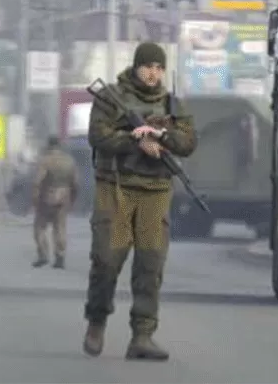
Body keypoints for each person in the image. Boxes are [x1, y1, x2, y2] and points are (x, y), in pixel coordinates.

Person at [83, 41, 197, 362]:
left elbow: (188, 143)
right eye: (147, 66)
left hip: (156, 192)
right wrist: (135, 141)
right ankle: (97, 320)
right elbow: (98, 136)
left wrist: (161, 137)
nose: (153, 73)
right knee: (107, 260)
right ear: (136, 66)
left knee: (150, 265)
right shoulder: (111, 97)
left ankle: (142, 335)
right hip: (117, 188)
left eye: (159, 68)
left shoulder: (173, 103)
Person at [31, 136, 79, 269]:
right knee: (60, 228)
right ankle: (60, 256)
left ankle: (43, 255)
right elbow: (75, 183)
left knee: (40, 228)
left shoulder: (45, 161)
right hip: (64, 197)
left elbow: (37, 182)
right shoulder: (69, 161)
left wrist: (35, 199)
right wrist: (73, 199)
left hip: (47, 198)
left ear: (48, 145)